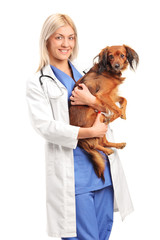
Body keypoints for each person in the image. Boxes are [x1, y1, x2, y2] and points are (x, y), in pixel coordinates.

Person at [26, 13, 134, 240]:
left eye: (71, 38)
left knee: (102, 235)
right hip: (74, 177)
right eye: (59, 38)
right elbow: (45, 126)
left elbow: (110, 112)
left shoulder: (89, 74)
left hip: (104, 172)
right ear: (47, 40)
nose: (66, 44)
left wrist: (93, 102)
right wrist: (90, 132)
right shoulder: (38, 82)